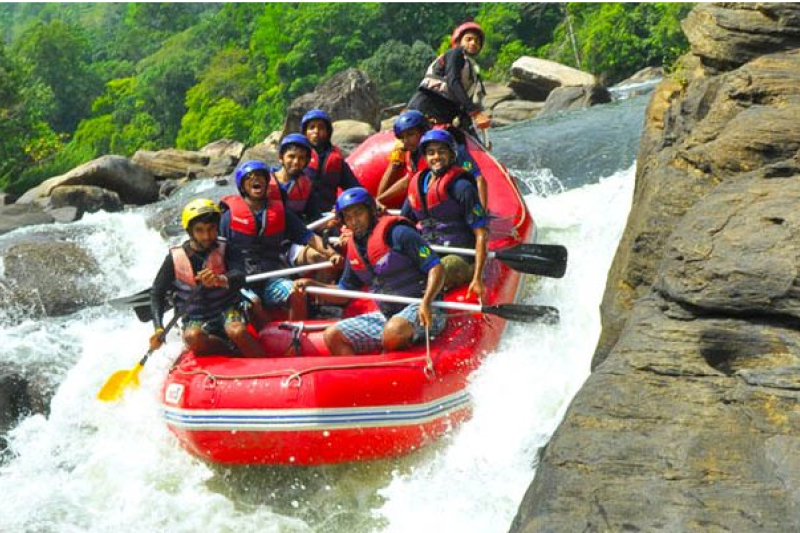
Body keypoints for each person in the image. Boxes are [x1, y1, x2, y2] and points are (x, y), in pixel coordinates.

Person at [293, 187, 446, 355]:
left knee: (393, 332)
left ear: (371, 211)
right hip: (389, 315)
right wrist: (312, 285)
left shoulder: (399, 233)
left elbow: (435, 266)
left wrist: (426, 302)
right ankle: (360, 372)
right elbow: (344, 292)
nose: (354, 221)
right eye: (348, 217)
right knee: (333, 335)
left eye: (358, 213)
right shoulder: (355, 249)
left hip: (425, 308)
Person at [219, 160, 341, 321]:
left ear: (266, 183)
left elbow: (308, 236)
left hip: (272, 277)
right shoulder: (228, 218)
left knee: (296, 292)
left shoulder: (280, 212)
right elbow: (218, 251)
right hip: (242, 281)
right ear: (242, 186)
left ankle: (296, 330)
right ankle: (266, 331)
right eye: (249, 177)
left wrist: (331, 253)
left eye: (260, 176)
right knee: (253, 304)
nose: (255, 179)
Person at [149, 198, 266, 357]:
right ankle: (233, 352)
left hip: (228, 308)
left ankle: (263, 360)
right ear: (190, 231)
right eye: (200, 230)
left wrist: (220, 279)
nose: (206, 236)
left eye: (211, 229)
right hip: (195, 316)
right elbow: (157, 292)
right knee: (192, 336)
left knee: (237, 331)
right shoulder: (174, 258)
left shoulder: (227, 247)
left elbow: (240, 275)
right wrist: (158, 328)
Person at [400, 129, 488, 300]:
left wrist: (477, 277)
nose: (436, 157)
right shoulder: (417, 185)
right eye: (431, 153)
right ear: (425, 157)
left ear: (452, 154)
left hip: (460, 255)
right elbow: (404, 223)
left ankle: (428, 303)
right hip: (430, 252)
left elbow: (481, 233)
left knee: (442, 270)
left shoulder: (463, 187)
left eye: (442, 152)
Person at [377, 109, 487, 209]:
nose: (406, 141)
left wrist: (481, 212)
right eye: (402, 137)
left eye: (410, 135)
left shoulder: (453, 151)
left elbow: (478, 179)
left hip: (452, 197)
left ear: (423, 132)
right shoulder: (412, 155)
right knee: (411, 200)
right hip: (429, 198)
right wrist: (380, 199)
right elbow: (408, 180)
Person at [407, 22, 491, 140]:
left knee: (465, 139)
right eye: (468, 39)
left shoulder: (472, 68)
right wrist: (475, 113)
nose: (473, 43)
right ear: (459, 42)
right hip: (427, 105)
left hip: (445, 112)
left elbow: (462, 101)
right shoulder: (455, 53)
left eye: (477, 41)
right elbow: (453, 81)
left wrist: (475, 139)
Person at [301, 108, 361, 213]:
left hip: (328, 214)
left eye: (321, 127)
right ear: (305, 133)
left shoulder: (337, 159)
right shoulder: (297, 157)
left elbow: (353, 187)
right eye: (311, 127)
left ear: (328, 132)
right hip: (302, 214)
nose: (316, 131)